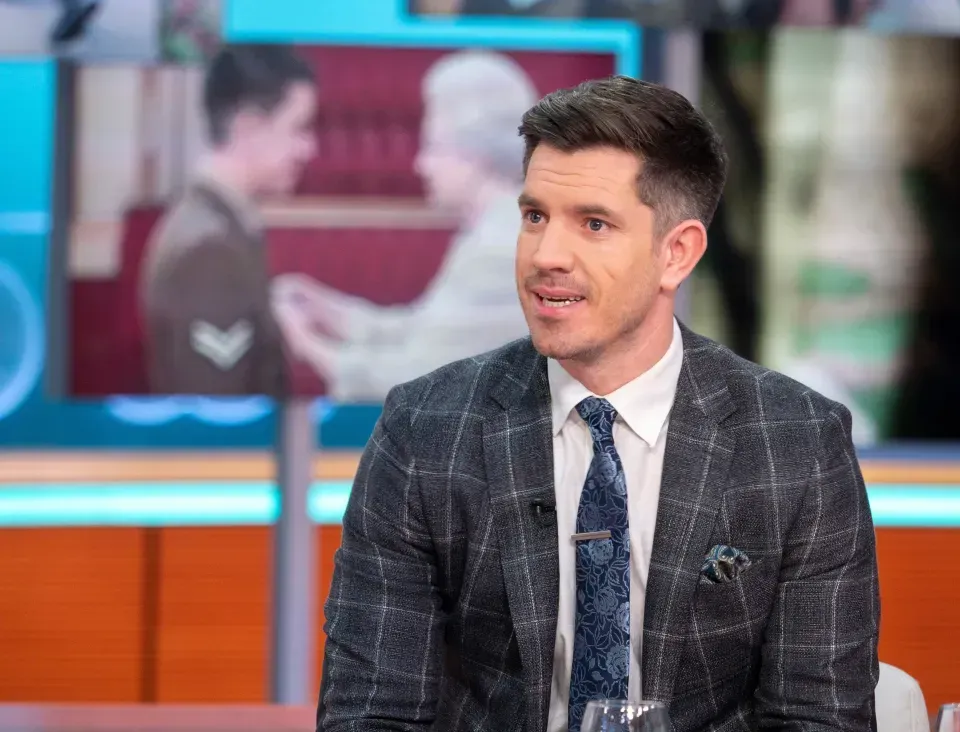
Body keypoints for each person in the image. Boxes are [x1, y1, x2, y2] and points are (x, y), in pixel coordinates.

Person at [317, 77, 880, 731]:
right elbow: (371, 713)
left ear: (678, 252)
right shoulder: (425, 430)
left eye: (593, 223)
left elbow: (818, 719)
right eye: (534, 217)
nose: (546, 256)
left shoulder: (797, 443)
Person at [272, 50, 534, 402]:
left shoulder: (501, 247)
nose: (419, 165)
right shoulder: (500, 229)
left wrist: (306, 345)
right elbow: (431, 331)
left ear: (476, 156)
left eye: (433, 147)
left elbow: (418, 378)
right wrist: (336, 314)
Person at [139, 45, 317, 396]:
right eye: (298, 128)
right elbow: (222, 414)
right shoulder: (210, 249)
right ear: (248, 128)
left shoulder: (219, 224)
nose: (309, 149)